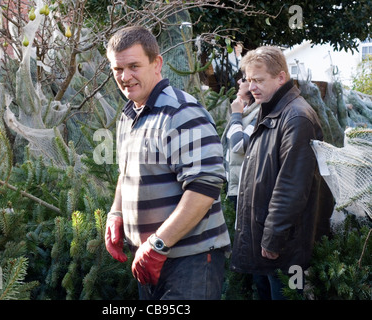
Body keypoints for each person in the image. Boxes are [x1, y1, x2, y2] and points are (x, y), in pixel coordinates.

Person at [104, 26, 231, 300]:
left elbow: (204, 188)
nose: (125, 77)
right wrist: (116, 214)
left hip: (191, 263)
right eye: (118, 69)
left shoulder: (182, 112)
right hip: (148, 259)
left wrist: (158, 245)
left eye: (134, 66)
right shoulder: (129, 115)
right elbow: (125, 174)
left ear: (157, 63)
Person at [230, 46, 334, 300]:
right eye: (249, 80)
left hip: (283, 248)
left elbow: (291, 186)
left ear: (281, 77)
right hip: (265, 243)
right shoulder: (271, 108)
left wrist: (273, 239)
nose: (252, 86)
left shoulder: (296, 118)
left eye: (259, 80)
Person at [221, 74, 260, 210]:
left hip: (243, 190)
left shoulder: (259, 113)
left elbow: (238, 146)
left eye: (243, 79)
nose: (238, 81)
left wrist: (236, 114)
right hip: (233, 186)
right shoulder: (247, 110)